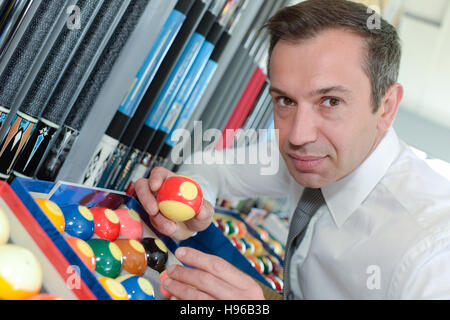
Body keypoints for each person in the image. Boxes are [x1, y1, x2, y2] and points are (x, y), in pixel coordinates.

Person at [135, 0, 450, 300]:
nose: (298, 136)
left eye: (331, 102)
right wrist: (195, 203)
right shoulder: (319, 154)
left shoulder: (433, 251)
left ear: (386, 107)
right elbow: (212, 167)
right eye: (285, 101)